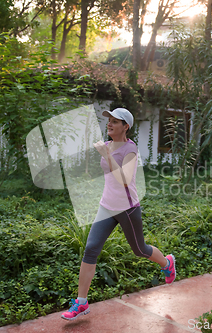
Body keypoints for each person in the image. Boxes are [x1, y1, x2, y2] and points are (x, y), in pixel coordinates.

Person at [61, 108, 176, 321]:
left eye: (115, 121)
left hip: (127, 208)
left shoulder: (130, 149)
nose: (110, 124)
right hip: (106, 206)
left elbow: (124, 178)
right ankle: (81, 302)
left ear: (126, 127)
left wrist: (107, 155)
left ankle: (167, 263)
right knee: (90, 249)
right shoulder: (107, 146)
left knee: (140, 250)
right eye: (109, 121)